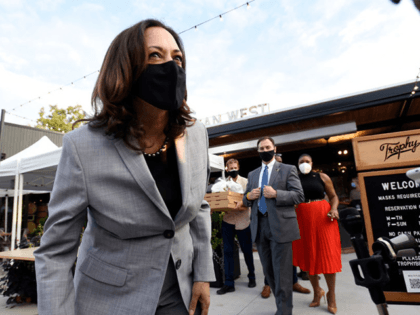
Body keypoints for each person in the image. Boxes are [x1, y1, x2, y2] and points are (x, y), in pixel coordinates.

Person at [34, 19, 215, 315]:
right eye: (155, 55)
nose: (170, 66)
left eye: (177, 57)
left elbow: (199, 207)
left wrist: (203, 275)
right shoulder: (82, 146)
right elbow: (55, 251)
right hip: (110, 300)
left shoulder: (196, 134)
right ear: (126, 69)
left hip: (179, 295)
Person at [243, 137, 304, 315]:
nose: (265, 150)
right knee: (269, 272)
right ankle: (280, 306)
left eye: (268, 147)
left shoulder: (287, 169)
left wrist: (276, 193)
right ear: (258, 151)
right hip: (259, 227)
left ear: (274, 148)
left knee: (282, 273)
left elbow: (299, 196)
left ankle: (284, 311)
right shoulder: (252, 174)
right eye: (261, 148)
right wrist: (248, 197)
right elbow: (245, 200)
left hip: (280, 226)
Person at [292, 154, 342, 314]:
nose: (304, 164)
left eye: (307, 161)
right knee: (308, 257)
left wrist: (334, 209)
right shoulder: (293, 179)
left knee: (327, 256)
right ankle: (317, 291)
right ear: (297, 164)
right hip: (302, 220)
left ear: (312, 163)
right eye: (301, 162)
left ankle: (331, 295)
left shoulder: (322, 177)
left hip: (323, 218)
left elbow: (333, 197)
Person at [260, 152, 310, 299]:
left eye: (280, 161)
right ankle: (268, 283)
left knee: (290, 254)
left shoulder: (288, 173)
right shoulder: (263, 176)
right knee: (269, 256)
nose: (278, 164)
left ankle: (294, 281)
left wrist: (277, 193)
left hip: (286, 219)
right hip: (268, 220)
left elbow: (297, 195)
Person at [217, 159, 256, 295]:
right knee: (227, 251)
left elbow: (252, 200)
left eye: (235, 167)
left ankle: (252, 276)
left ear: (238, 167)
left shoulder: (246, 182)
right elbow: (219, 199)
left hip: (243, 221)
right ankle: (229, 283)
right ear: (227, 169)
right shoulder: (222, 183)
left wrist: (243, 205)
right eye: (230, 168)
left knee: (246, 251)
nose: (233, 169)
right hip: (228, 220)